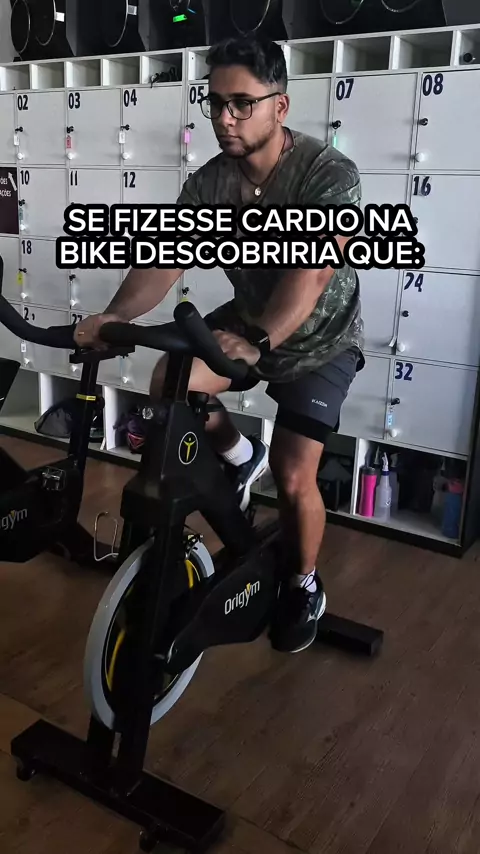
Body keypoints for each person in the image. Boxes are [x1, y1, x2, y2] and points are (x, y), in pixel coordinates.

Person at [73, 35, 364, 655]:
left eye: (241, 104)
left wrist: (259, 339)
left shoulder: (328, 174)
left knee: (293, 474)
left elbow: (313, 271)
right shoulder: (211, 183)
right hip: (250, 322)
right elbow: (166, 257)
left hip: (320, 340)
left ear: (280, 106)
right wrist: (114, 316)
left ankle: (304, 583)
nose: (225, 118)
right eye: (215, 104)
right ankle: (236, 455)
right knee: (170, 381)